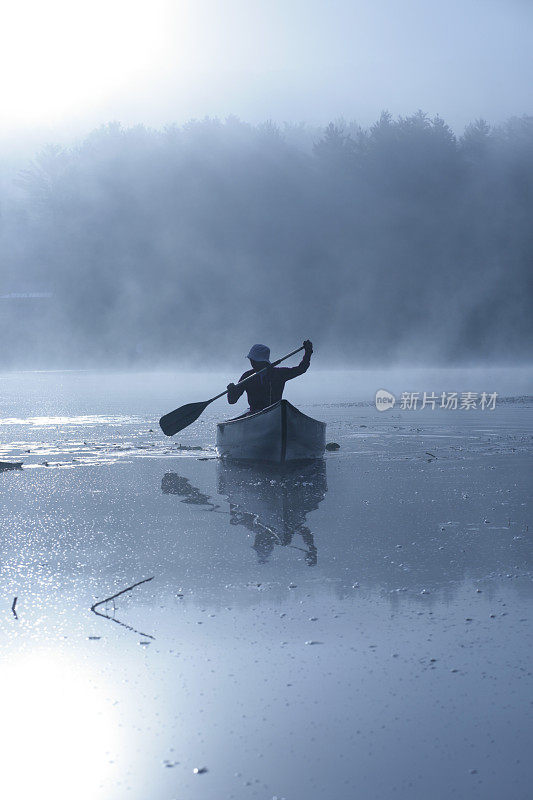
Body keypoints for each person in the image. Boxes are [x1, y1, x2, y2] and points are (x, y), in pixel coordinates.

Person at [226, 340, 313, 414]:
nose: (252, 363)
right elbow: (232, 401)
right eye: (251, 360)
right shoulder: (247, 376)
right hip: (254, 413)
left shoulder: (279, 373)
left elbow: (301, 369)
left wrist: (308, 353)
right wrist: (231, 391)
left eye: (254, 361)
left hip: (276, 412)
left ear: (263, 362)